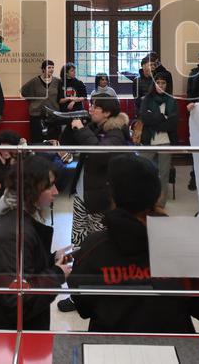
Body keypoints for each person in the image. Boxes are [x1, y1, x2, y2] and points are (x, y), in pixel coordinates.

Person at [67, 154, 199, 333]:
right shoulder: (182, 244)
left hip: (109, 348)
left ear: (113, 195)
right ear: (157, 194)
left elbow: (84, 308)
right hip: (175, 345)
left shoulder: (92, 247)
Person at [0, 155, 69, 330]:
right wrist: (56, 274)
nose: (56, 191)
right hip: (7, 329)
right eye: (49, 186)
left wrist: (51, 259)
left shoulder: (20, 215)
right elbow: (16, 299)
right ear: (31, 190)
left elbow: (24, 267)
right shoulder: (16, 234)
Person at [59, 94, 132, 315]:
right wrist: (72, 128)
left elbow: (100, 155)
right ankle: (77, 292)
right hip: (83, 196)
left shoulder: (116, 133)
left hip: (99, 200)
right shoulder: (94, 127)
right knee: (79, 243)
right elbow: (70, 143)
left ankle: (97, 292)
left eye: (95, 107)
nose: (91, 109)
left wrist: (82, 130)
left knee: (98, 248)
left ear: (107, 113)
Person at [138, 74, 178, 206]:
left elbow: (172, 123)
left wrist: (154, 119)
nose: (160, 85)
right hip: (148, 140)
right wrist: (162, 117)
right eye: (158, 82)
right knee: (144, 173)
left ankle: (160, 204)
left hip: (166, 141)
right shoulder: (147, 99)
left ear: (167, 85)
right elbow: (145, 118)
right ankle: (145, 202)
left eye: (163, 83)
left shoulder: (172, 100)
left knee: (164, 174)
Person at [20, 60, 61, 143]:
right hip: (36, 114)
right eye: (49, 67)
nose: (51, 69)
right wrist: (33, 100)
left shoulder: (58, 81)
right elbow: (23, 90)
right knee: (37, 138)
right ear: (43, 69)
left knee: (53, 138)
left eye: (53, 67)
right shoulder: (35, 81)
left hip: (53, 114)